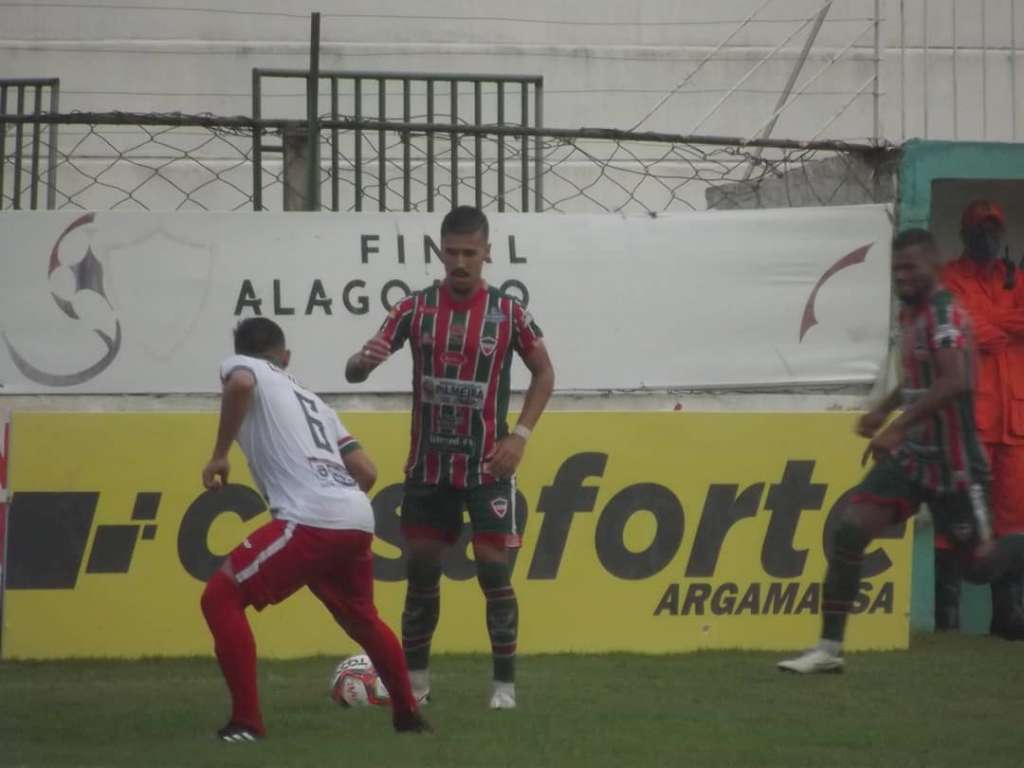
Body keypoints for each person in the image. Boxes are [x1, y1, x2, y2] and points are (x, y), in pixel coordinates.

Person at [778, 228, 1024, 674]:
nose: (902, 276)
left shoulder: (946, 314)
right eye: (896, 270)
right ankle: (828, 651)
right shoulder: (909, 316)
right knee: (849, 531)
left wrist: (896, 424)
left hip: (956, 467)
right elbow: (918, 381)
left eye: (911, 267)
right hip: (914, 459)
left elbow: (955, 381)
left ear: (933, 266)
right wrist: (884, 408)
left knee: (980, 568)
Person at [345, 206, 555, 709]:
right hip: (429, 465)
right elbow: (356, 369)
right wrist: (362, 362)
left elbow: (544, 373)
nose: (461, 262)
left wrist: (520, 436)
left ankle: (503, 688)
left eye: (470, 252)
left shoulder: (508, 313)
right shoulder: (414, 309)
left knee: (491, 567)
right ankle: (416, 684)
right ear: (440, 252)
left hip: (488, 464)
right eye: (453, 252)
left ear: (487, 252)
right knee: (420, 570)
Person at [200, 317, 428, 741]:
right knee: (362, 619)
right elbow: (367, 470)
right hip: (356, 516)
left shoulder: (241, 367)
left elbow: (241, 386)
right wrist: (335, 500)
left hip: (309, 516)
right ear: (285, 357)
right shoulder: (314, 401)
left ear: (243, 350)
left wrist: (219, 455)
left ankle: (246, 723)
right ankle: (408, 717)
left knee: (220, 598)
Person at [937, 200, 1024, 638]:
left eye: (994, 230)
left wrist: (990, 323)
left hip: (1015, 423)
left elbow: (983, 324)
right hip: (969, 419)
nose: (988, 238)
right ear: (965, 233)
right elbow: (961, 326)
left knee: (1013, 520)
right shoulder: (949, 277)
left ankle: (1008, 619)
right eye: (980, 230)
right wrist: (1007, 325)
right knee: (959, 516)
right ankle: (947, 621)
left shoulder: (1016, 278)